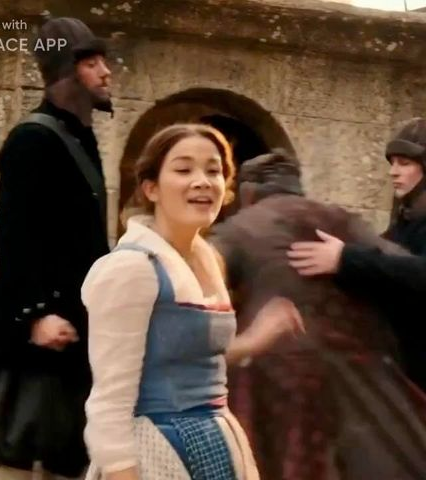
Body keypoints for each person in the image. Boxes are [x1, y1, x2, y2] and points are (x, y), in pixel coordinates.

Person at [81, 124, 302, 480]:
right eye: (184, 170)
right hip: (156, 448)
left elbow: (195, 355)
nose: (202, 182)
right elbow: (109, 401)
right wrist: (123, 472)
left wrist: (256, 339)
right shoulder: (132, 268)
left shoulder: (209, 261)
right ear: (151, 188)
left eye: (213, 171)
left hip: (216, 440)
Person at [211, 149, 426, 480]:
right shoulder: (339, 219)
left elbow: (198, 277)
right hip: (355, 376)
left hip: (274, 374)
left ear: (248, 193)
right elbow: (401, 263)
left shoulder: (240, 228)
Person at [0, 17, 112, 480]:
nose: (106, 71)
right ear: (66, 70)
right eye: (91, 63)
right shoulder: (32, 139)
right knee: (16, 459)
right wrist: (37, 314)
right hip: (33, 335)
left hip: (72, 333)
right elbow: (12, 238)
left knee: (67, 460)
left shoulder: (79, 138)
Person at [287, 117, 426, 393]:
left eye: (404, 163)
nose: (393, 172)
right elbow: (383, 266)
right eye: (392, 163)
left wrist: (346, 259)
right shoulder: (406, 222)